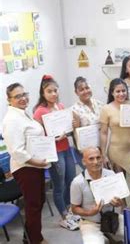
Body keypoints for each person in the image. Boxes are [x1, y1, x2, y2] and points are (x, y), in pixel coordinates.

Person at [3, 83, 50, 244]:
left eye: (24, 94)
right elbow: (16, 150)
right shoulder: (11, 120)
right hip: (26, 168)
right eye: (17, 96)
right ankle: (35, 240)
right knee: (33, 205)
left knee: (38, 201)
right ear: (9, 100)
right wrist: (36, 162)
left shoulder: (23, 113)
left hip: (34, 165)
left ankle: (28, 236)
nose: (23, 98)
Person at [33, 74, 79, 231]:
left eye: (55, 90)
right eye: (49, 91)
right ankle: (63, 216)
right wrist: (52, 137)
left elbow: (68, 129)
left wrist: (71, 126)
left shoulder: (60, 107)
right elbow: (37, 137)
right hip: (54, 152)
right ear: (43, 93)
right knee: (59, 185)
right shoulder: (39, 112)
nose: (53, 94)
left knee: (70, 180)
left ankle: (69, 209)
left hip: (66, 148)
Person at [70, 147, 125, 244]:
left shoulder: (111, 174)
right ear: (83, 162)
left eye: (98, 158)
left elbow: (121, 200)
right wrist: (90, 213)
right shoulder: (77, 182)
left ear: (102, 159)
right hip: (90, 223)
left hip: (113, 218)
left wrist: (119, 203)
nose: (96, 162)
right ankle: (107, 238)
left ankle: (110, 238)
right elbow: (74, 209)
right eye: (91, 159)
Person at [99, 78, 130, 175]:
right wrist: (103, 155)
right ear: (112, 93)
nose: (121, 94)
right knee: (120, 182)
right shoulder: (106, 109)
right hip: (116, 151)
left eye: (123, 91)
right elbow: (103, 133)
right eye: (118, 91)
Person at [71, 76, 105, 169]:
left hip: (102, 147)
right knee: (92, 177)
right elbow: (75, 134)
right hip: (87, 151)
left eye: (87, 88)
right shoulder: (74, 110)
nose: (85, 91)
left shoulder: (99, 104)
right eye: (81, 89)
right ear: (76, 92)